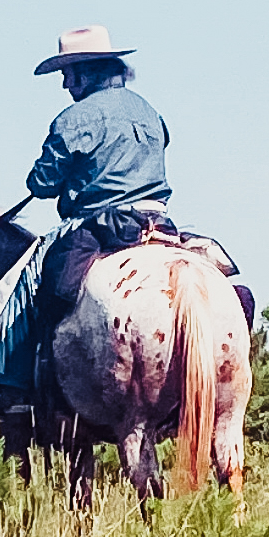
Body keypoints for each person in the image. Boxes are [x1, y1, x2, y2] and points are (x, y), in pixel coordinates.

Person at [27, 25, 177, 320]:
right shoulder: (150, 112)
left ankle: (42, 362)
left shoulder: (74, 119)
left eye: (66, 75)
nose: (65, 85)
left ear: (85, 72)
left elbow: (41, 184)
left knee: (47, 298)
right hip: (158, 222)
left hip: (101, 228)